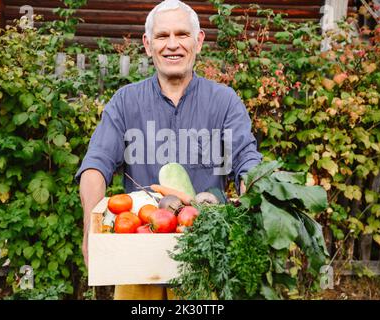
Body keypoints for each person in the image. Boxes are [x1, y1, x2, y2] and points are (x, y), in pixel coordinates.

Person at [75, 0, 262, 300]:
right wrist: (90, 232)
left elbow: (246, 161)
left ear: (198, 41)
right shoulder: (126, 102)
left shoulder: (224, 102)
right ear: (148, 45)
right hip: (138, 260)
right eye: (162, 36)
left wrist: (255, 200)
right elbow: (95, 165)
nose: (172, 45)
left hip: (204, 259)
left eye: (182, 34)